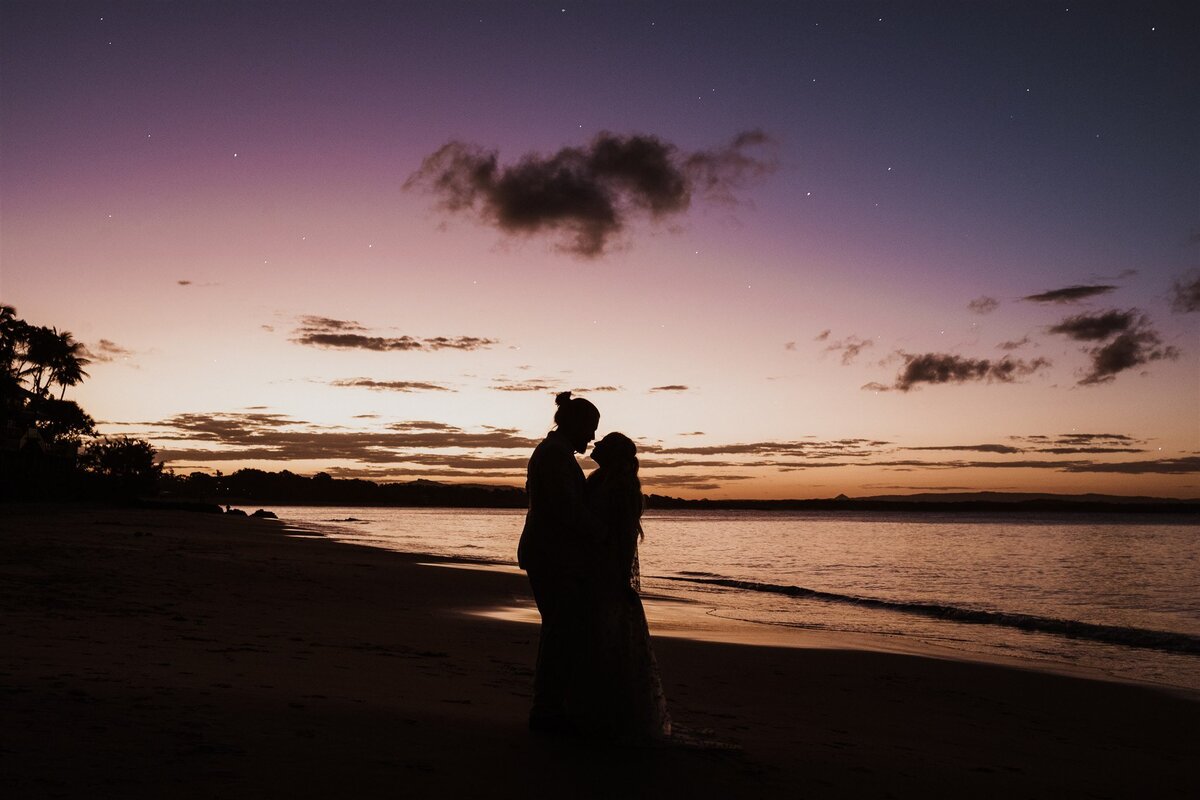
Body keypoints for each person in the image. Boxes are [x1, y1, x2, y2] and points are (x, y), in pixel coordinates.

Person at [575, 431, 671, 743]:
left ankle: (614, 717)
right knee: (594, 642)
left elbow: (625, 538)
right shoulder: (598, 478)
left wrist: (619, 577)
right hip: (590, 567)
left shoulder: (621, 487)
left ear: (613, 453)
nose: (595, 443)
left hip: (607, 571)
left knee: (610, 641)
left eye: (603, 442)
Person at [517, 391, 601, 732]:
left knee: (559, 629)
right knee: (561, 631)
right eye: (590, 428)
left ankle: (551, 705)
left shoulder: (554, 453)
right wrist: (602, 533)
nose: (592, 437)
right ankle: (547, 709)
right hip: (551, 554)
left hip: (548, 552)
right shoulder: (554, 456)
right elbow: (567, 511)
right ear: (575, 424)